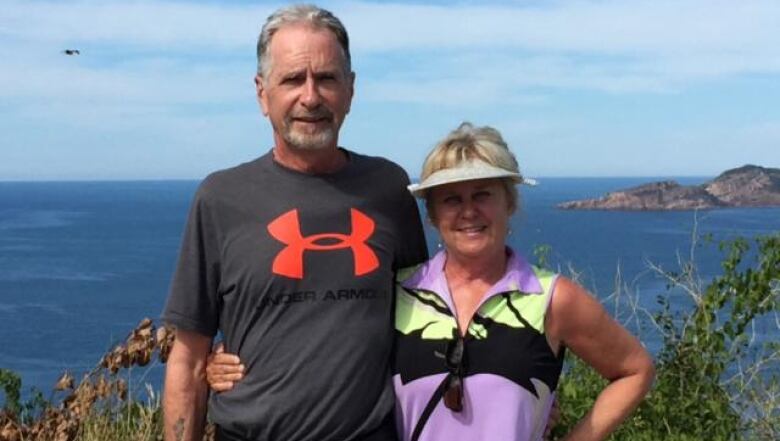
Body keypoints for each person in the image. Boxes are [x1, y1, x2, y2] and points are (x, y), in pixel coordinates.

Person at [207, 122, 655, 441]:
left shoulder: (551, 298)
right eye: (451, 199)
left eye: (483, 194)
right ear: (433, 215)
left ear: (509, 203)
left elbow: (634, 369)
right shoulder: (398, 292)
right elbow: (327, 339)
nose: (468, 211)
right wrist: (228, 364)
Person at [161, 4, 428, 441]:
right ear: (262, 93)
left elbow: (421, 317)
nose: (311, 97)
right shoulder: (221, 198)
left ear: (350, 89)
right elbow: (189, 358)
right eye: (291, 79)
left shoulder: (388, 188)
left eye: (326, 78)